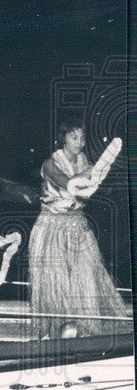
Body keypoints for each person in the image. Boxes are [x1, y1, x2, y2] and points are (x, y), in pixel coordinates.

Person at [28, 121, 130, 339]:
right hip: (51, 228)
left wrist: (100, 169)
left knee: (83, 281)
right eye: (74, 137)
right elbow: (69, 184)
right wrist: (94, 171)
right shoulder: (49, 164)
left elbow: (88, 190)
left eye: (82, 139)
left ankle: (78, 330)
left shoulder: (85, 163)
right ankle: (55, 332)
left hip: (78, 227)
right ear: (63, 138)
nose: (79, 143)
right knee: (56, 284)